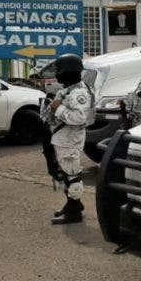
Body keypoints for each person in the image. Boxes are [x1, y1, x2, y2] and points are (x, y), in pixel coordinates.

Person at [43, 54, 95, 225]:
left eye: (59, 70)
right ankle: (73, 204)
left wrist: (58, 108)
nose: (56, 74)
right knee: (65, 174)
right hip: (62, 139)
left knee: (72, 175)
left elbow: (79, 118)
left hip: (70, 140)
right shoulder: (67, 90)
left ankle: (74, 211)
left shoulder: (79, 93)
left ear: (68, 71)